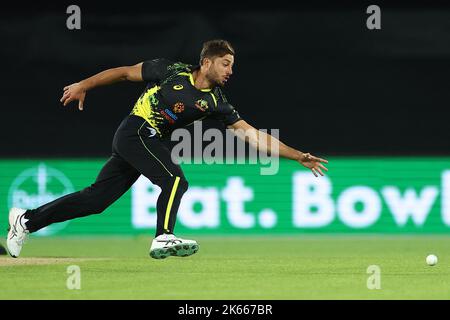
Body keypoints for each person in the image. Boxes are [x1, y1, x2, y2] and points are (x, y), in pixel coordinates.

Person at [6, 39, 328, 259]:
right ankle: (163, 235)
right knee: (175, 180)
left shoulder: (216, 103)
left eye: (232, 65)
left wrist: (297, 155)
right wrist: (83, 85)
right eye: (226, 64)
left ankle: (26, 220)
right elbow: (123, 73)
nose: (231, 70)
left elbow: (253, 136)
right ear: (206, 62)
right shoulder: (169, 70)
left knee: (96, 200)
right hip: (135, 131)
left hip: (148, 141)